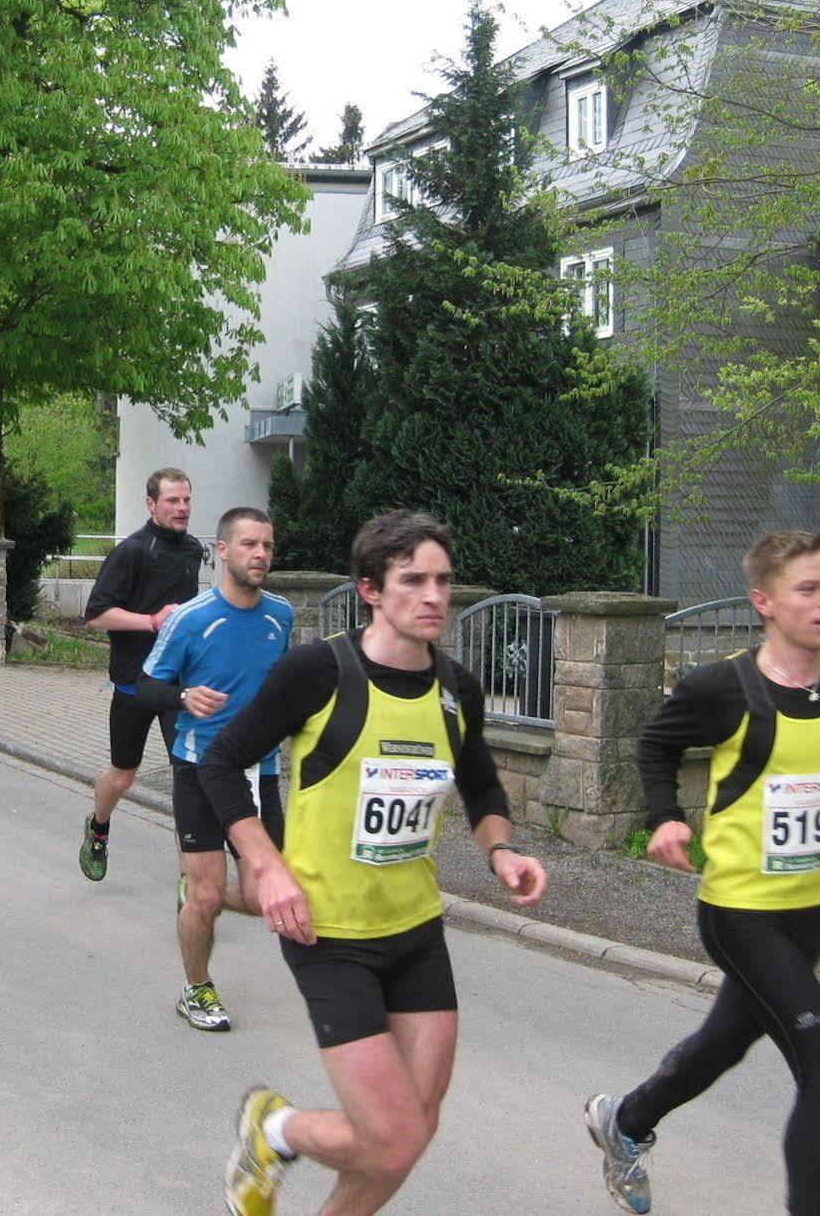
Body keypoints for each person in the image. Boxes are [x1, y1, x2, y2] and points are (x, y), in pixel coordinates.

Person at [199, 510, 547, 1216]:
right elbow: (220, 760)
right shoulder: (318, 670)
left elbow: (480, 783)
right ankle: (274, 1128)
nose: (433, 595)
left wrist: (500, 849)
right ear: (369, 589)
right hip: (328, 934)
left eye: (442, 580)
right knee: (390, 1138)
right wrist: (264, 863)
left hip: (415, 929)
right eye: (412, 579)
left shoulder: (455, 687)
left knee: (412, 1130)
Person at [582, 528, 820, 1216]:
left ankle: (626, 1122)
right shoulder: (722, 685)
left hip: (814, 902)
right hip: (738, 907)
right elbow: (655, 743)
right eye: (806, 589)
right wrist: (664, 815)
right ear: (763, 600)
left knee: (721, 1044)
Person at [135, 506, 292, 1032]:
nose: (261, 554)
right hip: (199, 769)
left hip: (261, 772)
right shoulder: (191, 617)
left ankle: (198, 893)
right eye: (249, 544)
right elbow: (146, 685)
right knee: (206, 893)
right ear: (222, 551)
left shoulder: (281, 615)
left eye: (267, 545)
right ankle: (196, 987)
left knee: (266, 893)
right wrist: (182, 696)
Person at [77, 467, 205, 881]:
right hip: (134, 683)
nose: (182, 507)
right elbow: (96, 615)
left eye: (186, 499)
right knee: (123, 775)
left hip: (177, 687)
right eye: (173, 500)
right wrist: (153, 621)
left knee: (187, 776)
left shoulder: (191, 550)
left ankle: (190, 876)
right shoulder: (132, 551)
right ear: (152, 504)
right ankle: (99, 827)